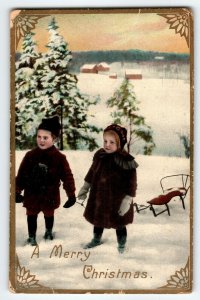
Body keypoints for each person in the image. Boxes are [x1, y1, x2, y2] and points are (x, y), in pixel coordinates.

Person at [16, 116, 76, 246]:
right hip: (32, 193)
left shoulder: (59, 158)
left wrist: (71, 194)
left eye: (45, 138)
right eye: (39, 137)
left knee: (49, 213)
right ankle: (31, 237)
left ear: (54, 139)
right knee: (31, 214)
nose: (41, 140)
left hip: (50, 194)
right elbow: (21, 175)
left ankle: (48, 231)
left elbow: (67, 177)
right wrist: (16, 190)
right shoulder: (30, 156)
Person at [77, 124, 138, 253]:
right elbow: (92, 172)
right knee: (97, 220)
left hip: (118, 200)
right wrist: (85, 187)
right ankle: (96, 239)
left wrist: (127, 200)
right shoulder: (100, 156)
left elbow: (132, 183)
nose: (107, 145)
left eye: (112, 142)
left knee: (119, 223)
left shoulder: (126, 161)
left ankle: (121, 244)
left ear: (119, 143)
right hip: (99, 196)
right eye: (105, 141)